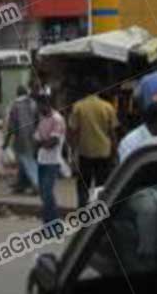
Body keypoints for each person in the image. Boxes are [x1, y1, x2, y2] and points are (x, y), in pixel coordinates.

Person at [68, 79, 118, 207]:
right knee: (101, 185)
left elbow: (74, 131)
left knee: (83, 185)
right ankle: (100, 210)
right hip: (104, 151)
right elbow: (112, 132)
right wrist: (114, 150)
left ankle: (82, 211)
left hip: (85, 151)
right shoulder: (107, 107)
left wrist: (73, 151)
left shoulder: (78, 106)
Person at [33, 94, 65, 224]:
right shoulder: (41, 118)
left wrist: (41, 143)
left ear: (46, 104)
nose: (38, 108)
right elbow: (36, 139)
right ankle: (48, 222)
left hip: (53, 161)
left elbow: (53, 141)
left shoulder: (57, 119)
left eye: (40, 105)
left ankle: (54, 223)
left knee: (47, 192)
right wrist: (41, 143)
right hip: (42, 160)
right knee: (43, 193)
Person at [3, 85, 38, 194]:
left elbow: (11, 126)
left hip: (21, 139)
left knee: (28, 162)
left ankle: (37, 185)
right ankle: (21, 184)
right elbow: (37, 121)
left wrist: (6, 142)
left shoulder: (15, 106)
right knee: (24, 162)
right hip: (33, 137)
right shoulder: (33, 104)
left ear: (17, 93)